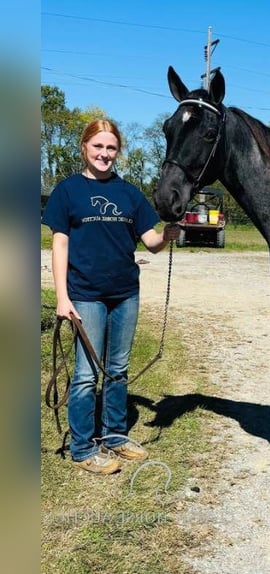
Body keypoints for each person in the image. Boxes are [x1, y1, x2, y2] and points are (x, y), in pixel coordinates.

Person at [42, 119, 179, 475]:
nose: (104, 154)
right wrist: (62, 296)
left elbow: (149, 241)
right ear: (84, 147)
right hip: (85, 295)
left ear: (118, 151)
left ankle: (114, 435)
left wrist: (168, 234)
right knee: (86, 375)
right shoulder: (67, 191)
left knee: (117, 370)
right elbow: (60, 244)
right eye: (98, 147)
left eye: (111, 148)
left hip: (125, 294)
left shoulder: (129, 193)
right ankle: (83, 446)